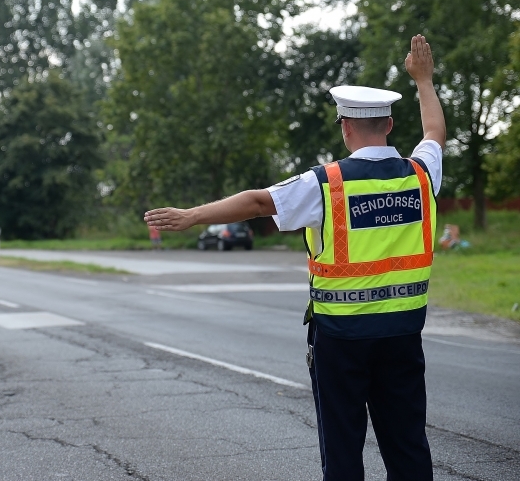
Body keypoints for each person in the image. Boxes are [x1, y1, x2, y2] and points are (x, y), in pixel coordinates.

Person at [144, 34, 444, 481]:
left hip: (341, 341)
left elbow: (258, 203)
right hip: (402, 335)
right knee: (408, 450)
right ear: (390, 124)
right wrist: (424, 80)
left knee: (343, 452)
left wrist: (192, 216)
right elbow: (435, 132)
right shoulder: (421, 175)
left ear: (344, 126)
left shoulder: (327, 184)